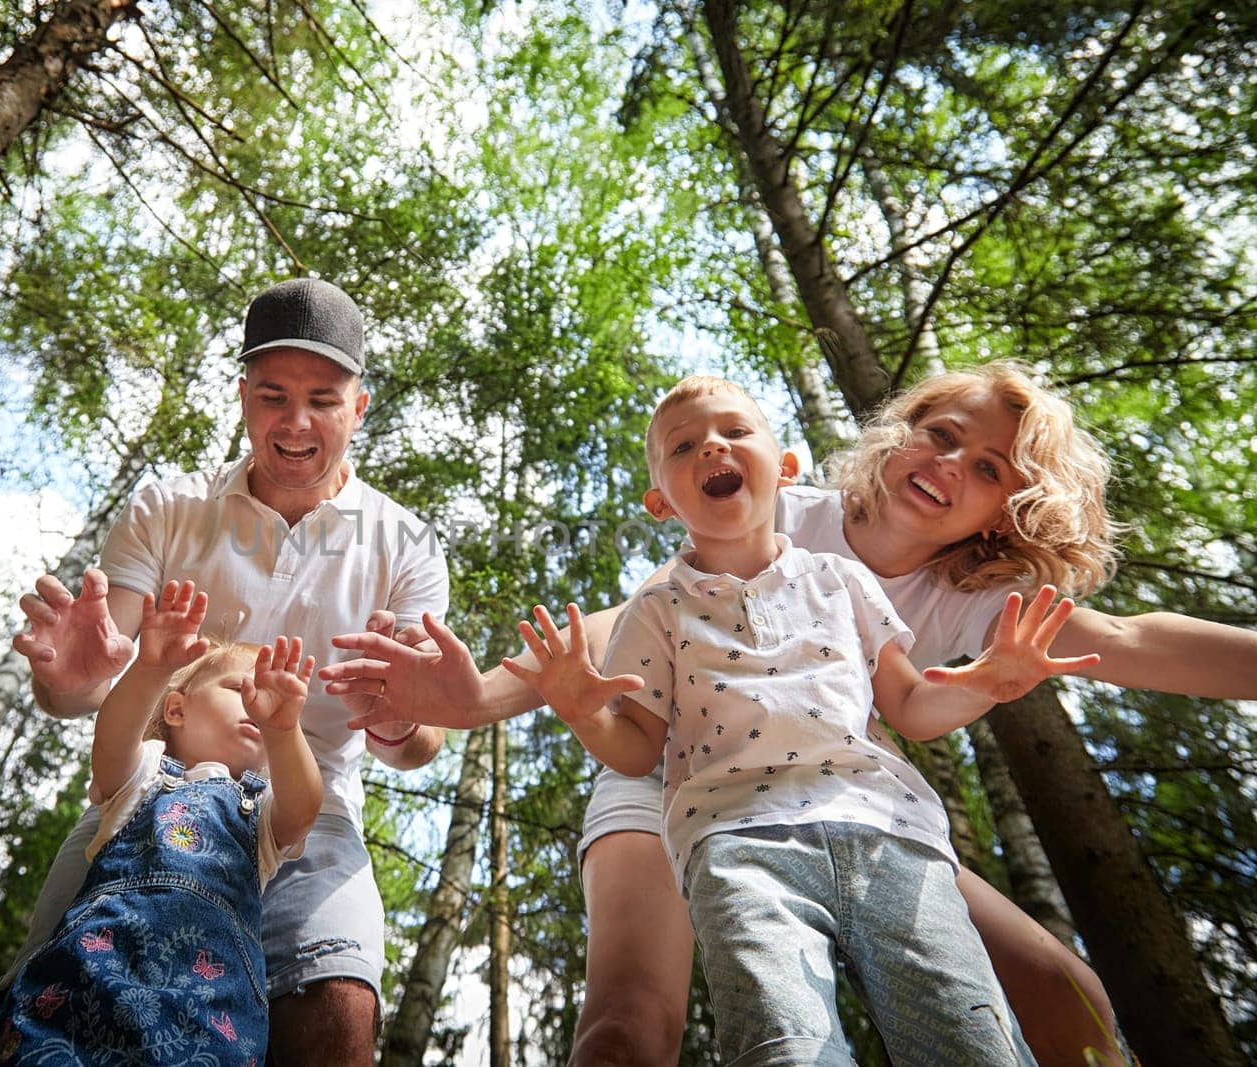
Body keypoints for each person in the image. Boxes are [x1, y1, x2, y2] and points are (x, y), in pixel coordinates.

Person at [320, 360, 1257, 1065]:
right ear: (901, 431)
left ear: (1009, 507)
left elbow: (1133, 639)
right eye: (941, 434)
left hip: (839, 803)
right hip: (672, 778)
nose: (949, 465)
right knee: (627, 1023)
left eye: (989, 467)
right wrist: (481, 696)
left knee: (1066, 991)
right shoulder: (777, 508)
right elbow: (607, 628)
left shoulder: (973, 598)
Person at [503, 375, 1108, 1063]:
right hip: (737, 843)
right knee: (785, 1042)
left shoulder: (843, 580)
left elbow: (911, 706)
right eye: (684, 445)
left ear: (786, 469)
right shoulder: (658, 609)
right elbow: (639, 750)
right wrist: (583, 713)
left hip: (887, 835)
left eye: (734, 432)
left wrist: (987, 683)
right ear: (659, 503)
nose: (711, 448)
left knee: (968, 1034)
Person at [6, 279, 450, 1065]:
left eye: (323, 398)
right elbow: (89, 688)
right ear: (243, 394)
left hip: (309, 817)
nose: (296, 422)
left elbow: (420, 743)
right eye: (273, 395)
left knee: (340, 1016)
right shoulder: (167, 508)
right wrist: (74, 680)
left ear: (360, 405)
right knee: (43, 1000)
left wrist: (398, 715)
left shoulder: (406, 544)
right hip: (146, 800)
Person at [0, 579, 319, 1066]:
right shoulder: (146, 774)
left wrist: (284, 731)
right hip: (88, 979)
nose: (255, 704)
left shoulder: (259, 810)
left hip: (208, 1016)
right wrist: (151, 670)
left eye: (263, 696)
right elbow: (112, 743)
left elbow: (305, 809)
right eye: (240, 689)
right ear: (176, 709)